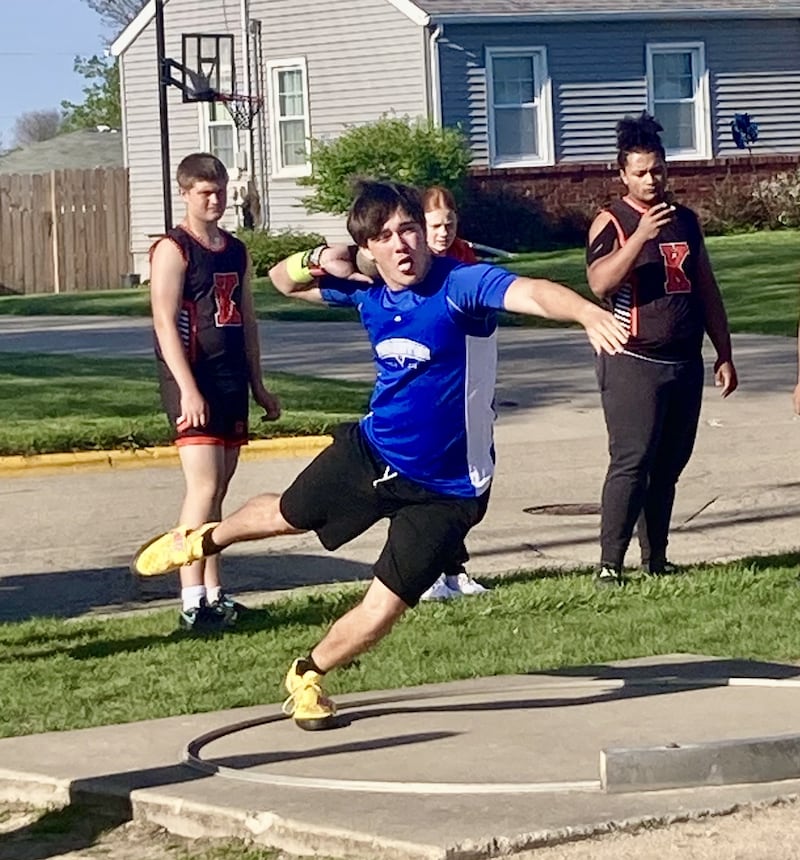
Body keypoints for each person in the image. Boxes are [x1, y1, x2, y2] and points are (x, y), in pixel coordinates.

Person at [133, 180, 628, 730]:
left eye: (409, 230)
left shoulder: (461, 284)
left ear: (424, 233)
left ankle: (307, 674)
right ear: (369, 248)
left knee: (385, 605)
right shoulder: (365, 291)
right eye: (386, 236)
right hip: (373, 453)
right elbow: (282, 281)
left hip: (450, 491)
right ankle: (200, 539)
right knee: (286, 516)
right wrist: (323, 257)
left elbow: (532, 292)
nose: (401, 245)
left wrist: (586, 313)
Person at [586, 112, 737, 587]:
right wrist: (639, 239)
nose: (652, 180)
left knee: (669, 464)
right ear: (623, 174)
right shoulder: (611, 221)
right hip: (633, 360)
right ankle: (610, 563)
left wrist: (724, 351)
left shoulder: (686, 221)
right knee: (633, 461)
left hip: (684, 360)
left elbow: (706, 289)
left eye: (658, 170)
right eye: (641, 172)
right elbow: (599, 282)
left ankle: (657, 558)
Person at [148, 152, 280, 631]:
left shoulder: (236, 250)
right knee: (201, 487)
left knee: (218, 492)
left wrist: (258, 384)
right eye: (205, 192)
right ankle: (189, 601)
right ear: (185, 193)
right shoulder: (174, 248)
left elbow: (247, 319)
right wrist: (187, 389)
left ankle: (214, 594)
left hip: (229, 379)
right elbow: (164, 321)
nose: (215, 199)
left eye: (220, 190)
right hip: (193, 376)